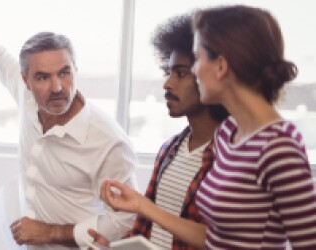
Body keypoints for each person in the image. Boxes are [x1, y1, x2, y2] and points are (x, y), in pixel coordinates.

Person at [100, 5, 316, 249]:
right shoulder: (228, 136)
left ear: (221, 66)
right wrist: (142, 206)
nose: (195, 71)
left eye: (198, 59)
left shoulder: (279, 144)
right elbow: (215, 239)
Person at [0, 24, 138, 249]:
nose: (57, 87)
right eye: (42, 77)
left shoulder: (109, 141)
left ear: (75, 70)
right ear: (26, 81)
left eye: (64, 72)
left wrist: (50, 232)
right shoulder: (28, 99)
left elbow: (124, 220)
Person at [86, 13, 229, 250]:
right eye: (169, 72)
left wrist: (143, 206)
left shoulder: (232, 155)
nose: (168, 83)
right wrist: (113, 246)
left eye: (181, 73)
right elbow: (146, 228)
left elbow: (221, 240)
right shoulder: (169, 149)